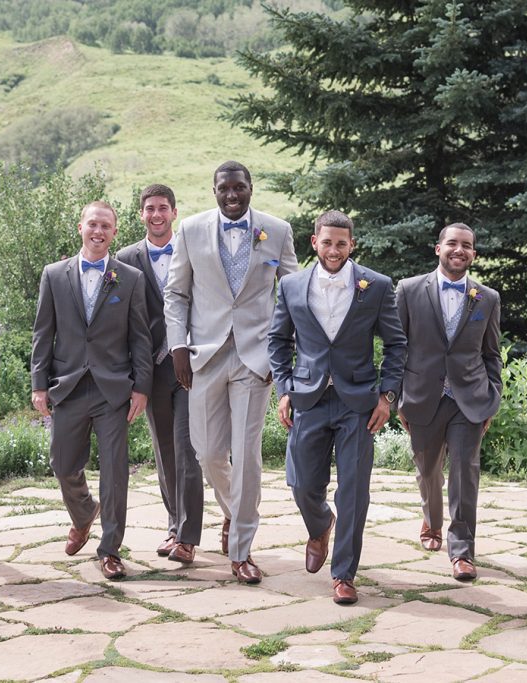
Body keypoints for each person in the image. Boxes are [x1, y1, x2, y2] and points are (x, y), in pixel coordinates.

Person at [164, 161, 298, 583]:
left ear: (251, 189)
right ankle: (233, 509)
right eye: (225, 188)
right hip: (204, 354)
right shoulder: (190, 230)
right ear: (214, 190)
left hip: (255, 358)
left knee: (247, 455)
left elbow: (293, 294)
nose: (232, 194)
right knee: (206, 452)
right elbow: (176, 293)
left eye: (239, 187)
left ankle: (241, 550)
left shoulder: (277, 231)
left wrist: (283, 350)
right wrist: (178, 346)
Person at [268, 210, 407, 604]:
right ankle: (320, 523)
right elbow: (278, 341)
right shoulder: (292, 286)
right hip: (308, 398)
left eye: (341, 243)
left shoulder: (376, 286)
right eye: (326, 242)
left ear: (352, 245)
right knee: (300, 483)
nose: (333, 250)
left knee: (354, 491)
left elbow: (397, 345)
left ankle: (344, 574)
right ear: (315, 243)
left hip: (358, 402)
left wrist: (388, 396)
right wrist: (284, 388)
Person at [30, 201, 151, 580]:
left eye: (106, 226)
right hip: (67, 386)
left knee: (115, 472)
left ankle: (110, 549)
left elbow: (140, 338)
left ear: (115, 232)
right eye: (93, 224)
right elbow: (42, 333)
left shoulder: (129, 277)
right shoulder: (53, 275)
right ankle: (84, 513)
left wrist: (141, 388)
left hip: (112, 389)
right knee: (63, 463)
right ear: (80, 226)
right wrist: (38, 384)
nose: (99, 231)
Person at [395, 223, 502, 582]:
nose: (459, 250)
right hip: (422, 396)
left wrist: (493, 399)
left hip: (469, 399)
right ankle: (431, 516)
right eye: (452, 244)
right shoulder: (409, 290)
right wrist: (395, 399)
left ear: (474, 254)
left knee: (464, 472)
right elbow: (398, 348)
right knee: (427, 470)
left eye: (467, 246)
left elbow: (492, 354)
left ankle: (462, 551)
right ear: (437, 248)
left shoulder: (487, 298)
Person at [115, 184, 204, 564]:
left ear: (174, 212)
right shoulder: (123, 258)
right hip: (149, 367)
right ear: (141, 215)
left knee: (188, 449)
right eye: (149, 208)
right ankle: (173, 525)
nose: (156, 215)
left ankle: (187, 536)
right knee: (163, 450)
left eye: (163, 208)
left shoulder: (193, 250)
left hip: (189, 363)